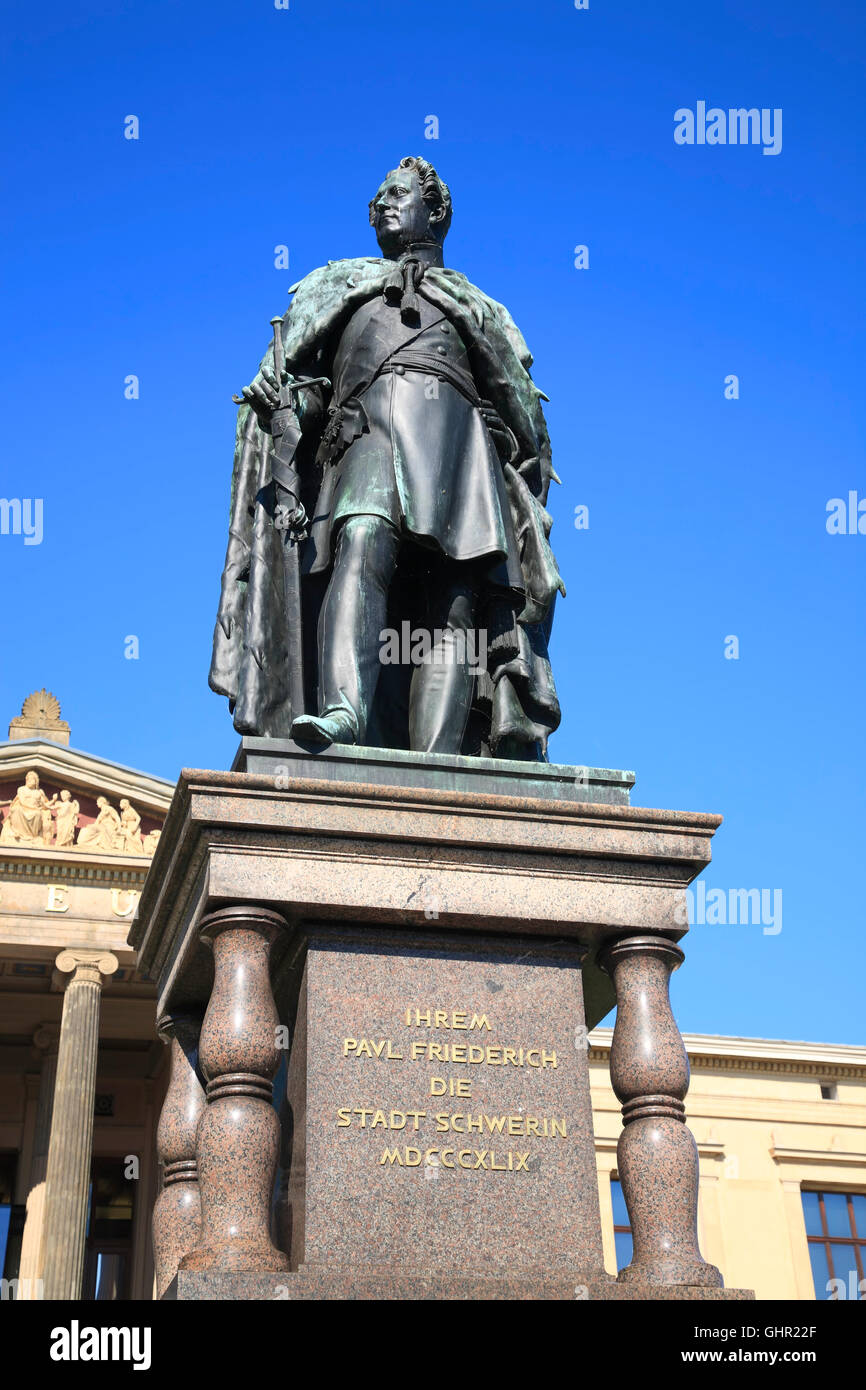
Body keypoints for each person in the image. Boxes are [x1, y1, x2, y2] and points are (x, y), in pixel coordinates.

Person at [211, 157, 564, 758]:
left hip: (457, 448)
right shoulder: (341, 291)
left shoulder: (475, 306)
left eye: (397, 193)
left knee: (453, 603)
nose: (382, 205)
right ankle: (344, 710)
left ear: (436, 211)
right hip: (365, 435)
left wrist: (509, 444)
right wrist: (282, 410)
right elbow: (305, 392)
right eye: (376, 199)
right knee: (362, 539)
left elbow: (525, 418)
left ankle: (437, 758)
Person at [0, 771, 56, 846]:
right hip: (24, 808)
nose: (29, 781)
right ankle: (17, 832)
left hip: (35, 811)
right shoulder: (21, 789)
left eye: (32, 780)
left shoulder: (39, 792)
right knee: (17, 809)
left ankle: (33, 836)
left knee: (38, 814)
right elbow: (22, 802)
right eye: (28, 780)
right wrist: (34, 808)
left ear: (36, 782)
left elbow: (45, 805)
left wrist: (54, 800)